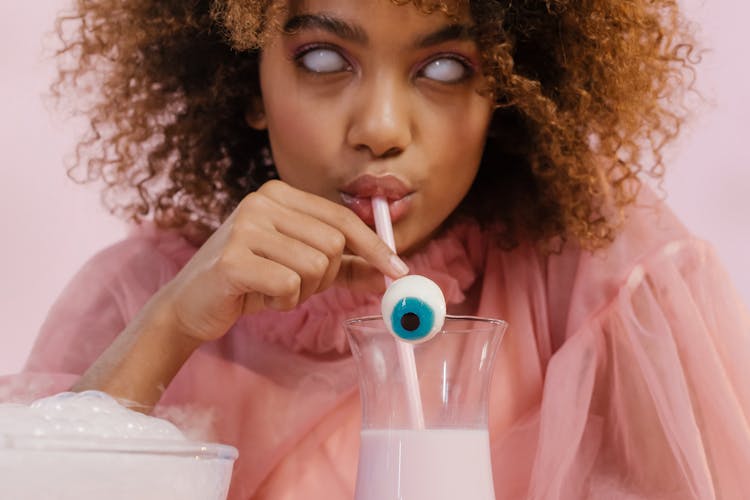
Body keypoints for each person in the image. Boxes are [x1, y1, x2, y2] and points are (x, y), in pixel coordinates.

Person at [8, 0, 750, 498]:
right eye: (325, 61)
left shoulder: (600, 284)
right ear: (248, 81)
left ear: (510, 91)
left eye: (446, 68)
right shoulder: (140, 299)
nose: (382, 127)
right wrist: (171, 329)